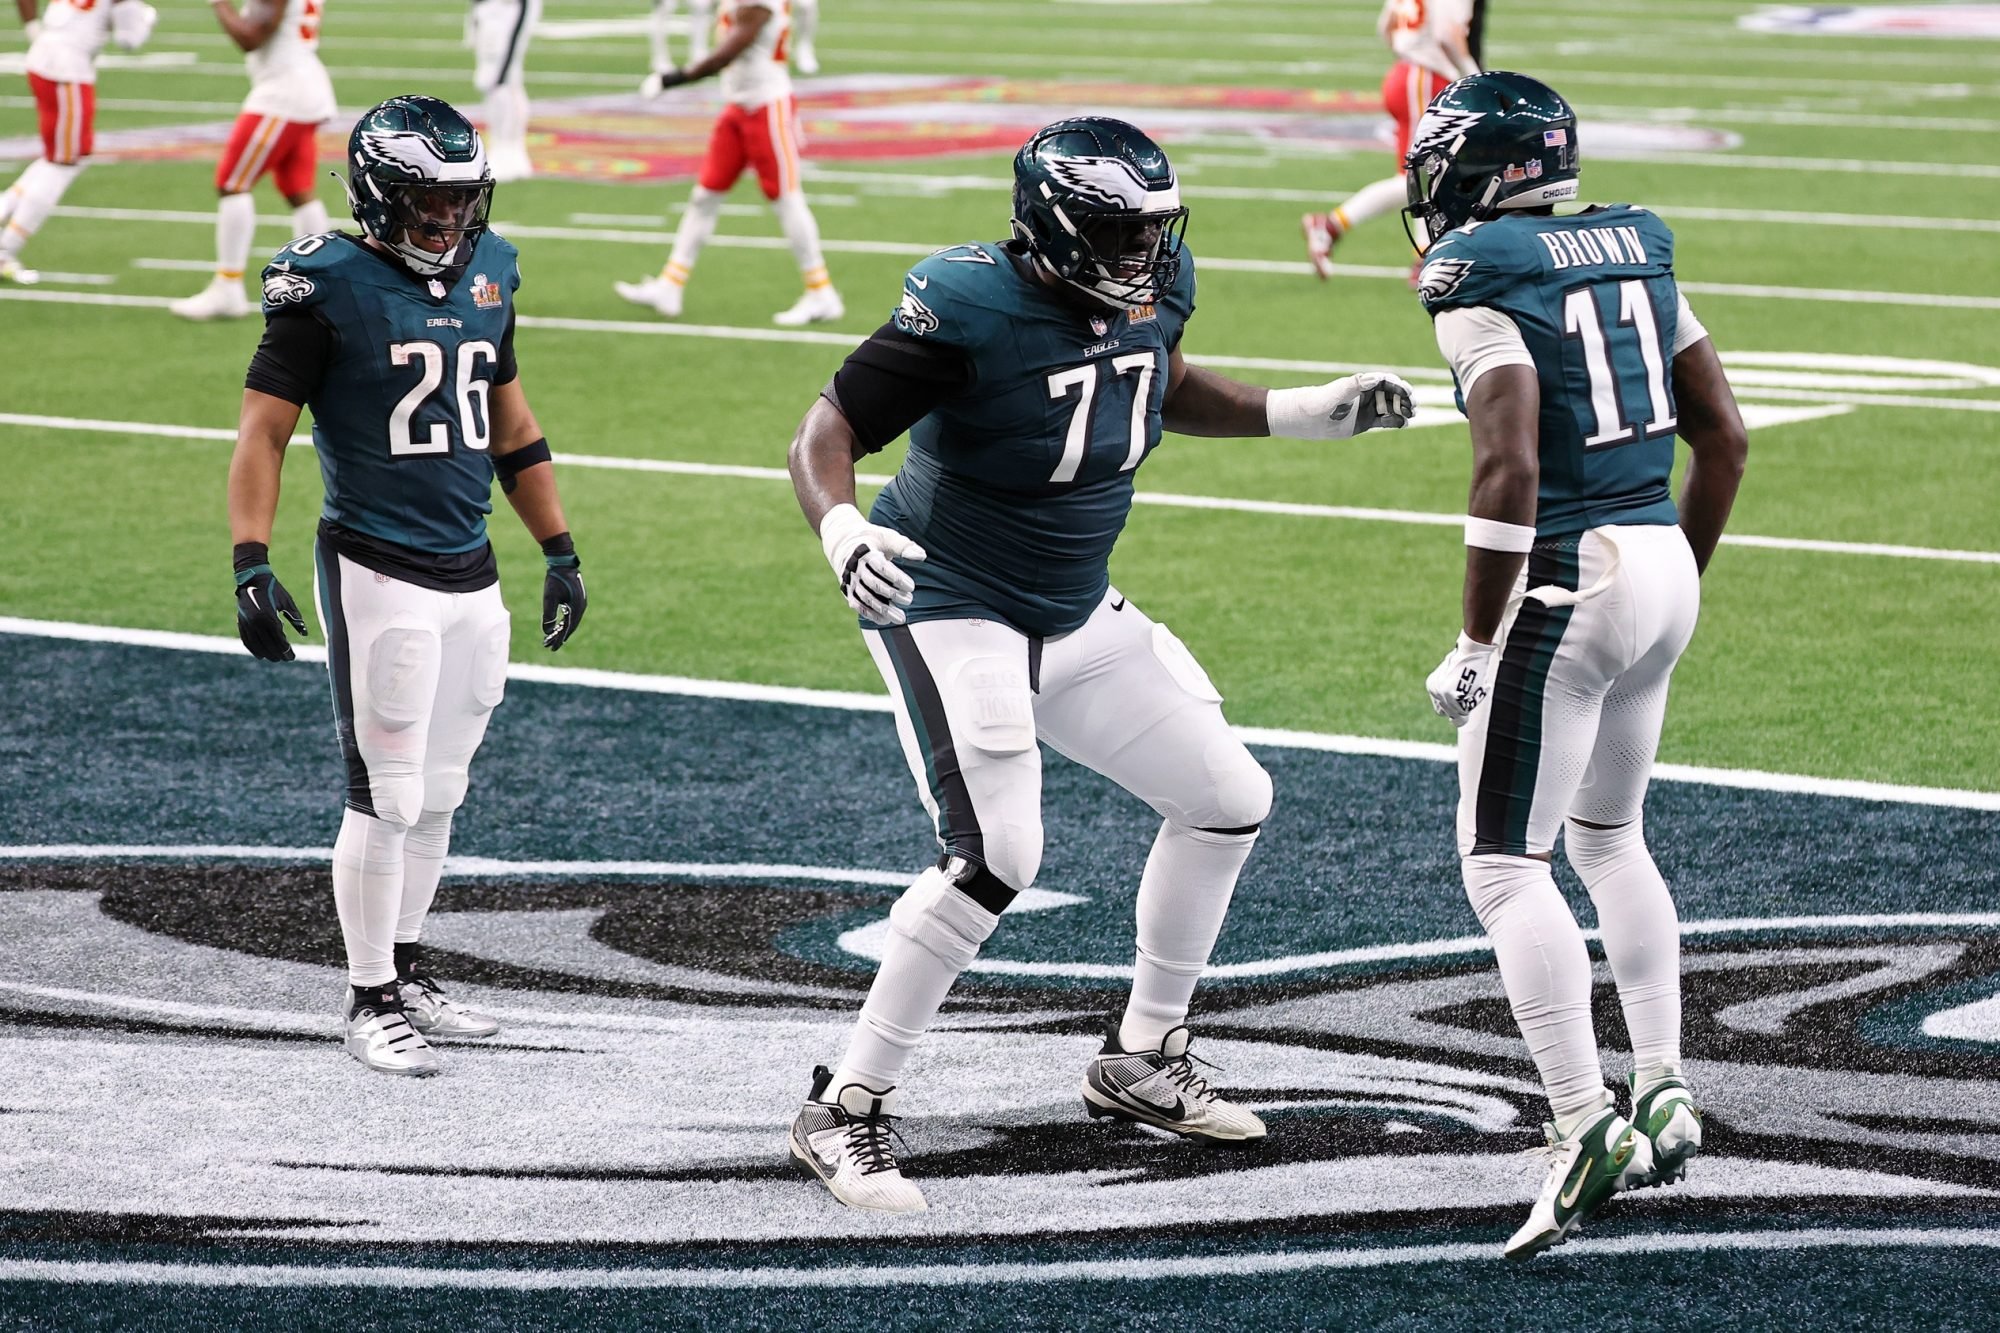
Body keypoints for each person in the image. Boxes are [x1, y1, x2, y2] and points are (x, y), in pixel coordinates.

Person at [784, 116, 1417, 1213]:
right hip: (948, 600)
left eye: (1152, 231)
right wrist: (840, 529)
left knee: (1226, 798)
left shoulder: (1157, 284)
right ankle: (844, 1105)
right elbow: (826, 430)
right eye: (1118, 233)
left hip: (1073, 609)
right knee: (995, 854)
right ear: (1053, 224)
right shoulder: (969, 304)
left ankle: (1140, 1058)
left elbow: (1151, 380)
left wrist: (1295, 415)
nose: (1141, 254)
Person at [1405, 71, 1747, 1258]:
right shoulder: (1638, 250)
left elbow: (1506, 466)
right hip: (1657, 555)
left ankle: (1578, 1118)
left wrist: (1471, 638)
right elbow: (1725, 435)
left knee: (1504, 867)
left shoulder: (1473, 277)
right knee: (1608, 843)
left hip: (1567, 575)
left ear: (1480, 171)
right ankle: (1660, 1083)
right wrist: (1676, 569)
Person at [226, 95, 590, 1076]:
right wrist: (249, 558)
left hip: (470, 565)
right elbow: (263, 430)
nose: (447, 219)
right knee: (382, 793)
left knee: (440, 791)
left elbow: (508, 419)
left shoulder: (491, 267)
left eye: (460, 199)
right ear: (381, 195)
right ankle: (366, 995)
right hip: (377, 562)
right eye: (427, 199)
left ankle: (409, 968)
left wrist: (556, 544)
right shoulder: (325, 282)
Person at [619, 0, 841, 327]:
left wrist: (673, 79)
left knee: (786, 200)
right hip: (738, 106)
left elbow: (726, 54)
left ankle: (822, 292)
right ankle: (671, 284)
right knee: (704, 196)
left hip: (767, 108)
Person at [171, 0, 337, 321]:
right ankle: (322, 281)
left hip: (283, 93)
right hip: (301, 85)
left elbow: (250, 37)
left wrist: (219, 4)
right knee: (297, 189)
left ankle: (228, 287)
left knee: (232, 183)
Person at [1301, 0, 1477, 281]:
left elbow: (1385, 26)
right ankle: (1423, 257)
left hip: (1409, 73)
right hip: (1423, 76)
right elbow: (1449, 34)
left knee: (1425, 176)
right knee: (1422, 176)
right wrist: (1473, 75)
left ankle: (1334, 226)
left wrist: (1407, 50)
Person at [0, 0, 156, 285]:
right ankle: (6, 248)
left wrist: (34, 28)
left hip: (46, 59)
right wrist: (146, 17)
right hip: (67, 70)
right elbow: (129, 40)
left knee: (57, 158)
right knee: (65, 163)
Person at [468, 0, 541, 183]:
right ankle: (504, 151)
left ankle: (510, 151)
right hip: (490, 8)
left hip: (508, 7)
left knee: (501, 80)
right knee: (496, 80)